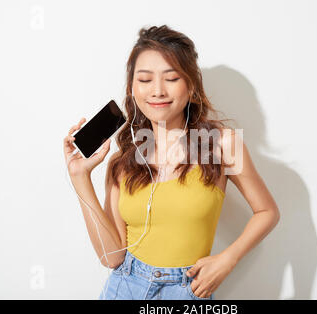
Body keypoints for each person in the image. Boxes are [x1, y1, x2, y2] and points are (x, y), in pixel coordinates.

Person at [63, 25, 280, 300]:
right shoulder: (121, 160)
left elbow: (267, 212)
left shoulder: (222, 145)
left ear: (191, 86)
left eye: (171, 78)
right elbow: (112, 257)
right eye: (144, 80)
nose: (157, 91)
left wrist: (228, 260)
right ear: (132, 89)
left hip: (187, 289)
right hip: (125, 286)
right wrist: (79, 178)